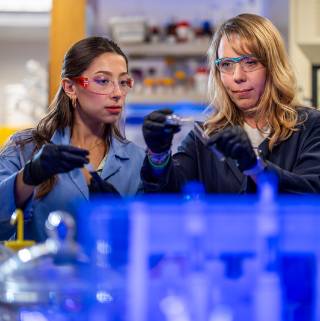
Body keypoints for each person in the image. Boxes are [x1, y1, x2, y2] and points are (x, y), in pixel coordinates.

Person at [141, 13, 320, 195]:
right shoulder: (204, 136)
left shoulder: (310, 126)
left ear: (273, 66)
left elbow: (312, 193)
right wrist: (158, 155)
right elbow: (169, 197)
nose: (238, 76)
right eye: (226, 64)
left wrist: (255, 166)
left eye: (250, 62)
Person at [0, 36, 144, 242]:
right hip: (41, 274)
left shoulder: (136, 160)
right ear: (70, 87)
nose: (117, 93)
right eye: (103, 81)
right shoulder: (24, 148)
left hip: (107, 275)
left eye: (123, 82)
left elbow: (144, 245)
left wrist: (118, 217)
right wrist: (28, 177)